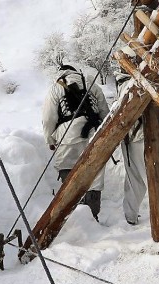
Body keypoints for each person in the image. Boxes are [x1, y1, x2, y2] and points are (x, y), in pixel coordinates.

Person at [42, 64, 110, 221]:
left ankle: (71, 212)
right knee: (95, 172)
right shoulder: (91, 82)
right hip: (93, 132)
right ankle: (93, 214)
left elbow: (48, 118)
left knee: (66, 167)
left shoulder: (56, 88)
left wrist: (50, 139)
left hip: (67, 134)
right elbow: (104, 111)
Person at [114, 69, 147, 225]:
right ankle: (131, 214)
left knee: (136, 177)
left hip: (134, 137)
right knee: (148, 175)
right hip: (140, 135)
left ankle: (130, 214)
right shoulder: (133, 83)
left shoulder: (125, 84)